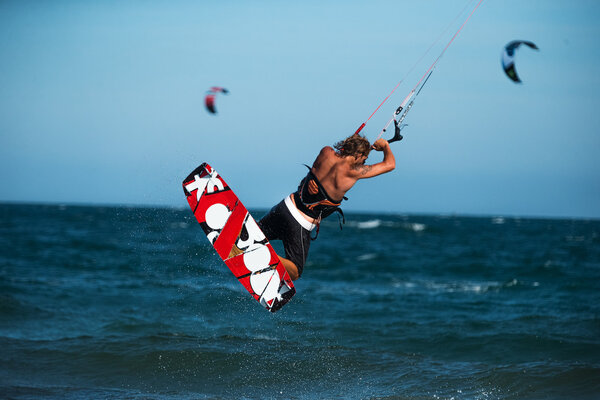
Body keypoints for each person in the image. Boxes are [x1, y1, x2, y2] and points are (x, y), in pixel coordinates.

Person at [258, 134, 396, 281]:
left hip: (285, 206)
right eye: (364, 159)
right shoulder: (353, 172)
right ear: (358, 155)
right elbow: (390, 164)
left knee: (256, 234)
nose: (363, 162)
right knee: (295, 271)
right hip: (300, 222)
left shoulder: (326, 152)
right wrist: (385, 145)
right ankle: (265, 255)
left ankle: (243, 238)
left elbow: (323, 169)